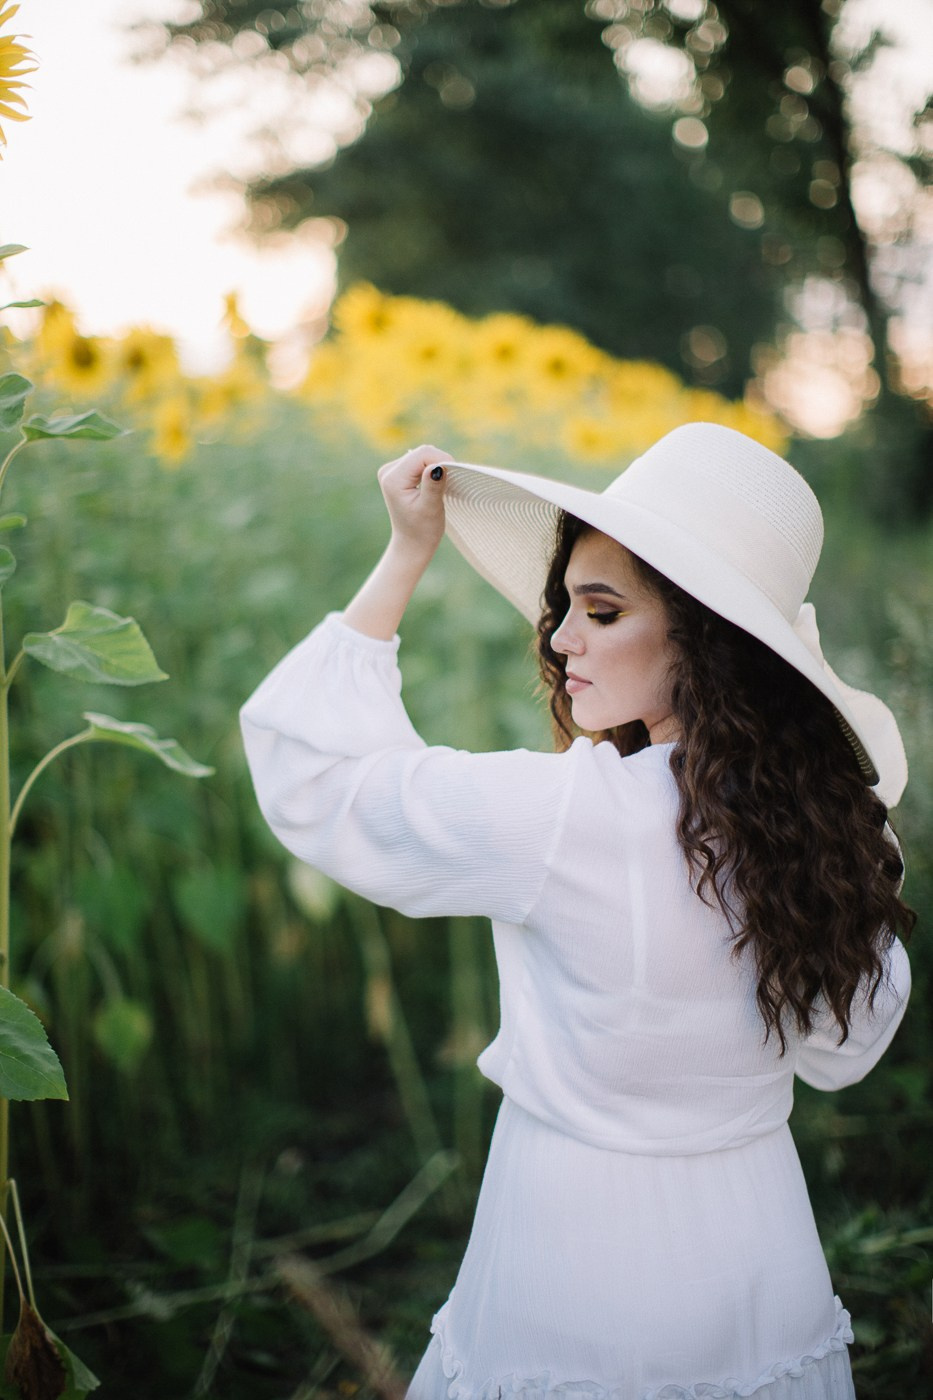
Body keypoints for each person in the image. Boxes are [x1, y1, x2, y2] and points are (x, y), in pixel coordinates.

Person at [240, 423, 914, 1399]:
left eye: (600, 611)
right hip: (757, 1245)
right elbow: (841, 1051)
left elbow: (314, 779)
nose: (559, 638)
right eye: (564, 607)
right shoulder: (838, 832)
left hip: (575, 1250)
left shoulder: (565, 816)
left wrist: (405, 552)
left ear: (708, 639)